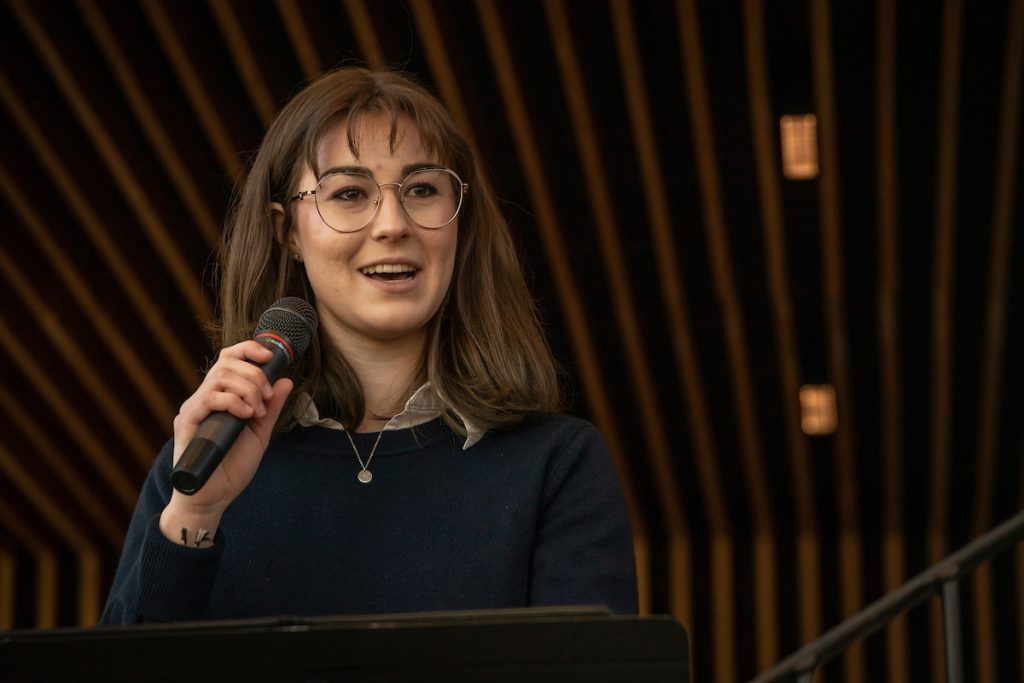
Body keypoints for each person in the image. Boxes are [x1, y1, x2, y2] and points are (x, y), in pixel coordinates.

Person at [100, 67, 637, 623]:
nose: (391, 224)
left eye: (423, 190)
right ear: (287, 233)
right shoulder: (202, 461)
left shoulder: (557, 465)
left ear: (461, 220)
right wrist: (197, 511)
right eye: (350, 192)